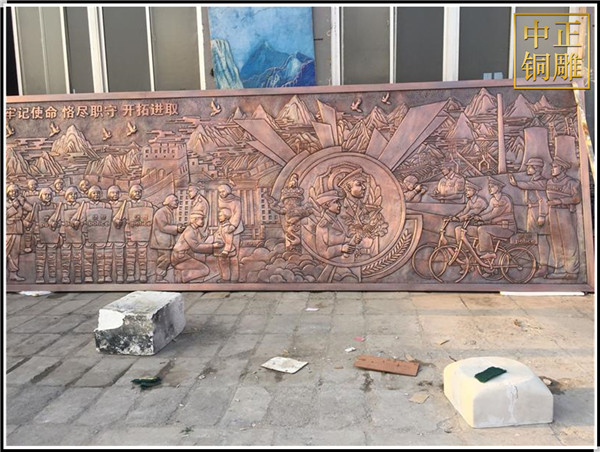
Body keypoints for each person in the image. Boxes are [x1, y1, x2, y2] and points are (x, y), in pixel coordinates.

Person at [508, 157, 550, 278]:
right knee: (535, 239)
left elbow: (543, 200)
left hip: (538, 212)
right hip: (532, 211)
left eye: (529, 167)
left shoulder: (541, 182)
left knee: (542, 240)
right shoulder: (533, 180)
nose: (527, 168)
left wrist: (542, 215)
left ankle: (544, 267)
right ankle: (537, 264)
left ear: (536, 169)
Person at [545, 157, 581, 279]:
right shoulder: (550, 182)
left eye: (555, 167)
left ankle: (572, 271)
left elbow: (576, 199)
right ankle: (559, 269)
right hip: (552, 212)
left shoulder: (572, 182)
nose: (552, 169)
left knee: (569, 241)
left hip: (565, 212)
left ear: (562, 168)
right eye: (552, 166)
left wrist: (559, 201)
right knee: (556, 241)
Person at [171, 209, 224, 283]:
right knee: (204, 270)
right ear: (195, 220)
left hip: (186, 255)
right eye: (201, 219)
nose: (203, 221)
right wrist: (213, 246)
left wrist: (212, 237)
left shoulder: (195, 229)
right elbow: (196, 247)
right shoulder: (189, 231)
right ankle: (181, 277)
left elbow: (200, 241)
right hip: (180, 258)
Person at [472, 177, 517, 261]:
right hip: (497, 227)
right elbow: (487, 210)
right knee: (473, 230)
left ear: (498, 187)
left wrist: (481, 218)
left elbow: (495, 213)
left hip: (506, 228)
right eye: (489, 186)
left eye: (492, 186)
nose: (489, 188)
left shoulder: (504, 199)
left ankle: (488, 252)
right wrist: (476, 215)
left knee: (482, 229)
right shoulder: (493, 200)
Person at [79, 186, 112, 283]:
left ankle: (101, 276)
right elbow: (78, 219)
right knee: (88, 257)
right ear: (90, 194)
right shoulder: (85, 206)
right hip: (88, 236)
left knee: (101, 257)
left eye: (98, 193)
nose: (96, 195)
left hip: (101, 236)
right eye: (94, 193)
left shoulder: (106, 206)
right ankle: (88, 276)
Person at [150, 194, 185, 282]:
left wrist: (177, 227)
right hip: (162, 242)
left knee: (167, 259)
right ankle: (159, 278)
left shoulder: (168, 211)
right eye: (175, 200)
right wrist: (176, 228)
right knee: (164, 259)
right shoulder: (162, 212)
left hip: (166, 241)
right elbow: (163, 227)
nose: (177, 202)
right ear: (169, 202)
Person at [315, 190, 358, 260]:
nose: (339, 205)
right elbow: (323, 253)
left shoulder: (336, 220)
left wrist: (354, 239)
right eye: (336, 202)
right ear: (326, 205)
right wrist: (341, 248)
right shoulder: (323, 225)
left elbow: (341, 238)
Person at [124, 184, 155, 282]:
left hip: (143, 233)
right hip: (130, 233)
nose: (137, 193)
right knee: (130, 255)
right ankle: (130, 275)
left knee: (142, 255)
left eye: (139, 192)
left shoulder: (147, 205)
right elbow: (118, 219)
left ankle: (143, 275)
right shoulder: (126, 205)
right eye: (135, 191)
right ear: (131, 193)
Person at [32, 188, 61, 283]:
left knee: (52, 258)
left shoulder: (56, 207)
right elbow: (30, 220)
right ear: (41, 196)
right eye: (45, 194)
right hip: (40, 236)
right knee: (40, 259)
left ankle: (52, 277)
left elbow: (60, 220)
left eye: (49, 195)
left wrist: (57, 225)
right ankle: (39, 277)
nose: (47, 196)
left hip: (52, 236)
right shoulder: (37, 207)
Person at [217, 184, 244, 282]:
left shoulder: (236, 201)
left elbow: (237, 214)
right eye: (220, 192)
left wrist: (232, 226)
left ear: (228, 191)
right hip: (223, 228)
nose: (221, 193)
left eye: (223, 191)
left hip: (235, 230)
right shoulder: (220, 199)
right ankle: (225, 278)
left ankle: (234, 278)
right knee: (222, 257)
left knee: (233, 256)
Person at [6, 184, 33, 281]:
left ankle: (13, 274)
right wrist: (13, 207)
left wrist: (23, 203)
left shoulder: (19, 202)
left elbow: (31, 209)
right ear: (8, 193)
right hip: (7, 230)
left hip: (17, 229)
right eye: (11, 191)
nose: (13, 193)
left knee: (15, 253)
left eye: (15, 191)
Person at [59, 186, 84, 284]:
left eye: (75, 194)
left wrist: (80, 222)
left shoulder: (80, 206)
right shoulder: (62, 206)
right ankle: (65, 276)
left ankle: (78, 277)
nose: (73, 196)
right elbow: (56, 220)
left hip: (77, 235)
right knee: (65, 257)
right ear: (66, 196)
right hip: (65, 235)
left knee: (77, 257)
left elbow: (84, 218)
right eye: (70, 194)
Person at [106, 185, 126, 283]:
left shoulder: (124, 205)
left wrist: (122, 222)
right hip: (106, 236)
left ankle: (120, 276)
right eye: (112, 192)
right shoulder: (104, 206)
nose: (115, 194)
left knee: (119, 257)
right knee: (107, 257)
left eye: (117, 193)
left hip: (119, 235)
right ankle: (107, 276)